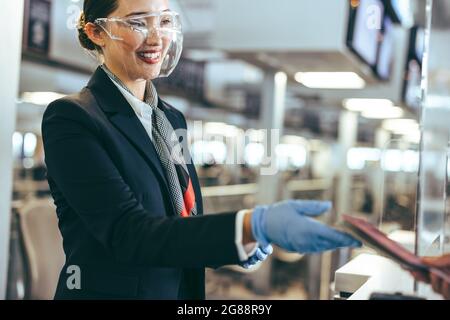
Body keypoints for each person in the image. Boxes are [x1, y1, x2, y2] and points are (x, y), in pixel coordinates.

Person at [41, 0, 360, 299]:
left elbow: (183, 215)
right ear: (96, 32)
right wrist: (248, 225)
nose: (156, 38)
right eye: (138, 22)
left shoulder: (170, 118)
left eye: (164, 21)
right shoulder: (72, 119)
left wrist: (241, 244)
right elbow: (129, 233)